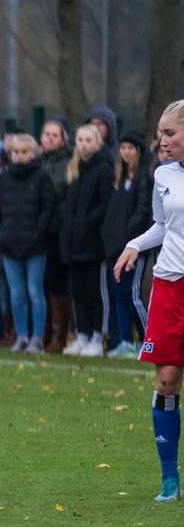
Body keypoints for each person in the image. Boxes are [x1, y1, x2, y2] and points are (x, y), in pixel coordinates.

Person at [112, 100, 184, 501]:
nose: (163, 141)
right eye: (160, 134)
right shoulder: (162, 175)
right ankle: (169, 480)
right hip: (169, 286)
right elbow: (162, 224)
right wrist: (135, 246)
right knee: (167, 381)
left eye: (170, 133)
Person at [0, 134, 54, 354]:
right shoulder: (4, 178)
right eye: (16, 152)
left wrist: (37, 235)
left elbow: (47, 209)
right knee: (16, 293)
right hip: (10, 246)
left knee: (35, 291)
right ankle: (21, 336)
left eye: (24, 152)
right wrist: (0, 235)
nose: (19, 156)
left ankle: (37, 338)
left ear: (34, 153)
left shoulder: (42, 177)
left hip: (35, 247)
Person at [59, 124, 114, 357]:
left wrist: (85, 223)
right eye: (80, 140)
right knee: (78, 291)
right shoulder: (75, 168)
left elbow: (104, 205)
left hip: (93, 244)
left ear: (98, 143)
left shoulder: (104, 169)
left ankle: (97, 338)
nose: (83, 144)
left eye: (88, 140)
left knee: (95, 292)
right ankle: (82, 335)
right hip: (73, 244)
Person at [101, 130, 153, 357]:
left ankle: (147, 340)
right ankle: (125, 341)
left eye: (130, 148)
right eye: (123, 148)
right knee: (119, 294)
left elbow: (142, 213)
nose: (126, 152)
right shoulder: (119, 179)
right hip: (115, 248)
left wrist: (129, 240)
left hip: (134, 249)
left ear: (139, 151)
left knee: (133, 294)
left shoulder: (144, 178)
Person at [38, 118, 74, 351]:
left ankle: (59, 336)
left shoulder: (71, 162)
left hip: (60, 230)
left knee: (58, 283)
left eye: (55, 135)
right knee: (40, 284)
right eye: (46, 134)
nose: (50, 138)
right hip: (39, 231)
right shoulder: (36, 161)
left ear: (63, 138)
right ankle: (43, 332)